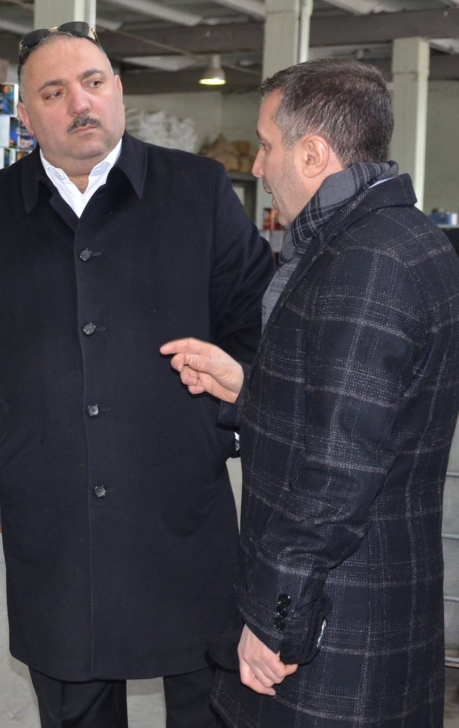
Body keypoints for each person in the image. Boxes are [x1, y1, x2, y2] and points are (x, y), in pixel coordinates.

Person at [0, 21, 274, 728]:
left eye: (94, 82)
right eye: (54, 92)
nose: (80, 103)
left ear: (119, 91)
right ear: (25, 117)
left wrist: (222, 419)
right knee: (73, 701)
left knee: (210, 705)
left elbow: (261, 324)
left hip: (181, 509)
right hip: (55, 519)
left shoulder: (196, 190)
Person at [162, 59, 459, 727]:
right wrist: (250, 389)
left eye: (267, 145)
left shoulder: (366, 263)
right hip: (368, 603)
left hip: (340, 624)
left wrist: (273, 622)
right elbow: (360, 415)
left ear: (313, 153)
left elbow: (338, 471)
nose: (259, 166)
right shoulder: (403, 239)